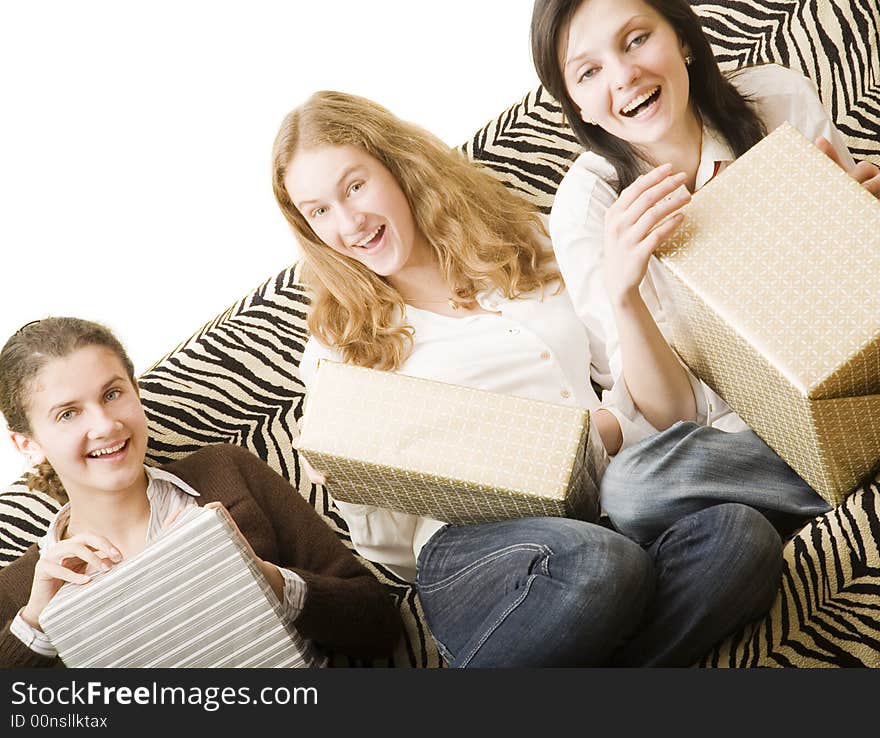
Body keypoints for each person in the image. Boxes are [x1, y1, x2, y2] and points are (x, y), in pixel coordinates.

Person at [271, 90, 787, 667]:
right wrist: (352, 487)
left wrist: (611, 426)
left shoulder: (527, 242)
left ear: (399, 166)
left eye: (354, 186)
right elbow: (396, 554)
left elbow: (627, 372)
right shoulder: (338, 349)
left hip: (609, 511)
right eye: (318, 211)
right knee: (596, 563)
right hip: (477, 557)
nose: (348, 223)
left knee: (741, 537)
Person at [528, 0, 874, 541]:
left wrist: (855, 226)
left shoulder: (775, 100)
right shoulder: (585, 206)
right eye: (590, 72)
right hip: (742, 443)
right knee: (633, 489)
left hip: (848, 380)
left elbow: (861, 303)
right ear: (579, 106)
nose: (624, 77)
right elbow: (675, 416)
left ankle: (836, 470)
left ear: (683, 38)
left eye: (636, 39)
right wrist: (625, 296)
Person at [0, 317, 402, 668]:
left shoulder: (225, 473)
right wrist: (36, 626)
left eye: (112, 394)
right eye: (68, 413)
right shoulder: (22, 591)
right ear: (28, 444)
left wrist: (264, 578)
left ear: (136, 393)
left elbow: (380, 627)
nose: (104, 424)